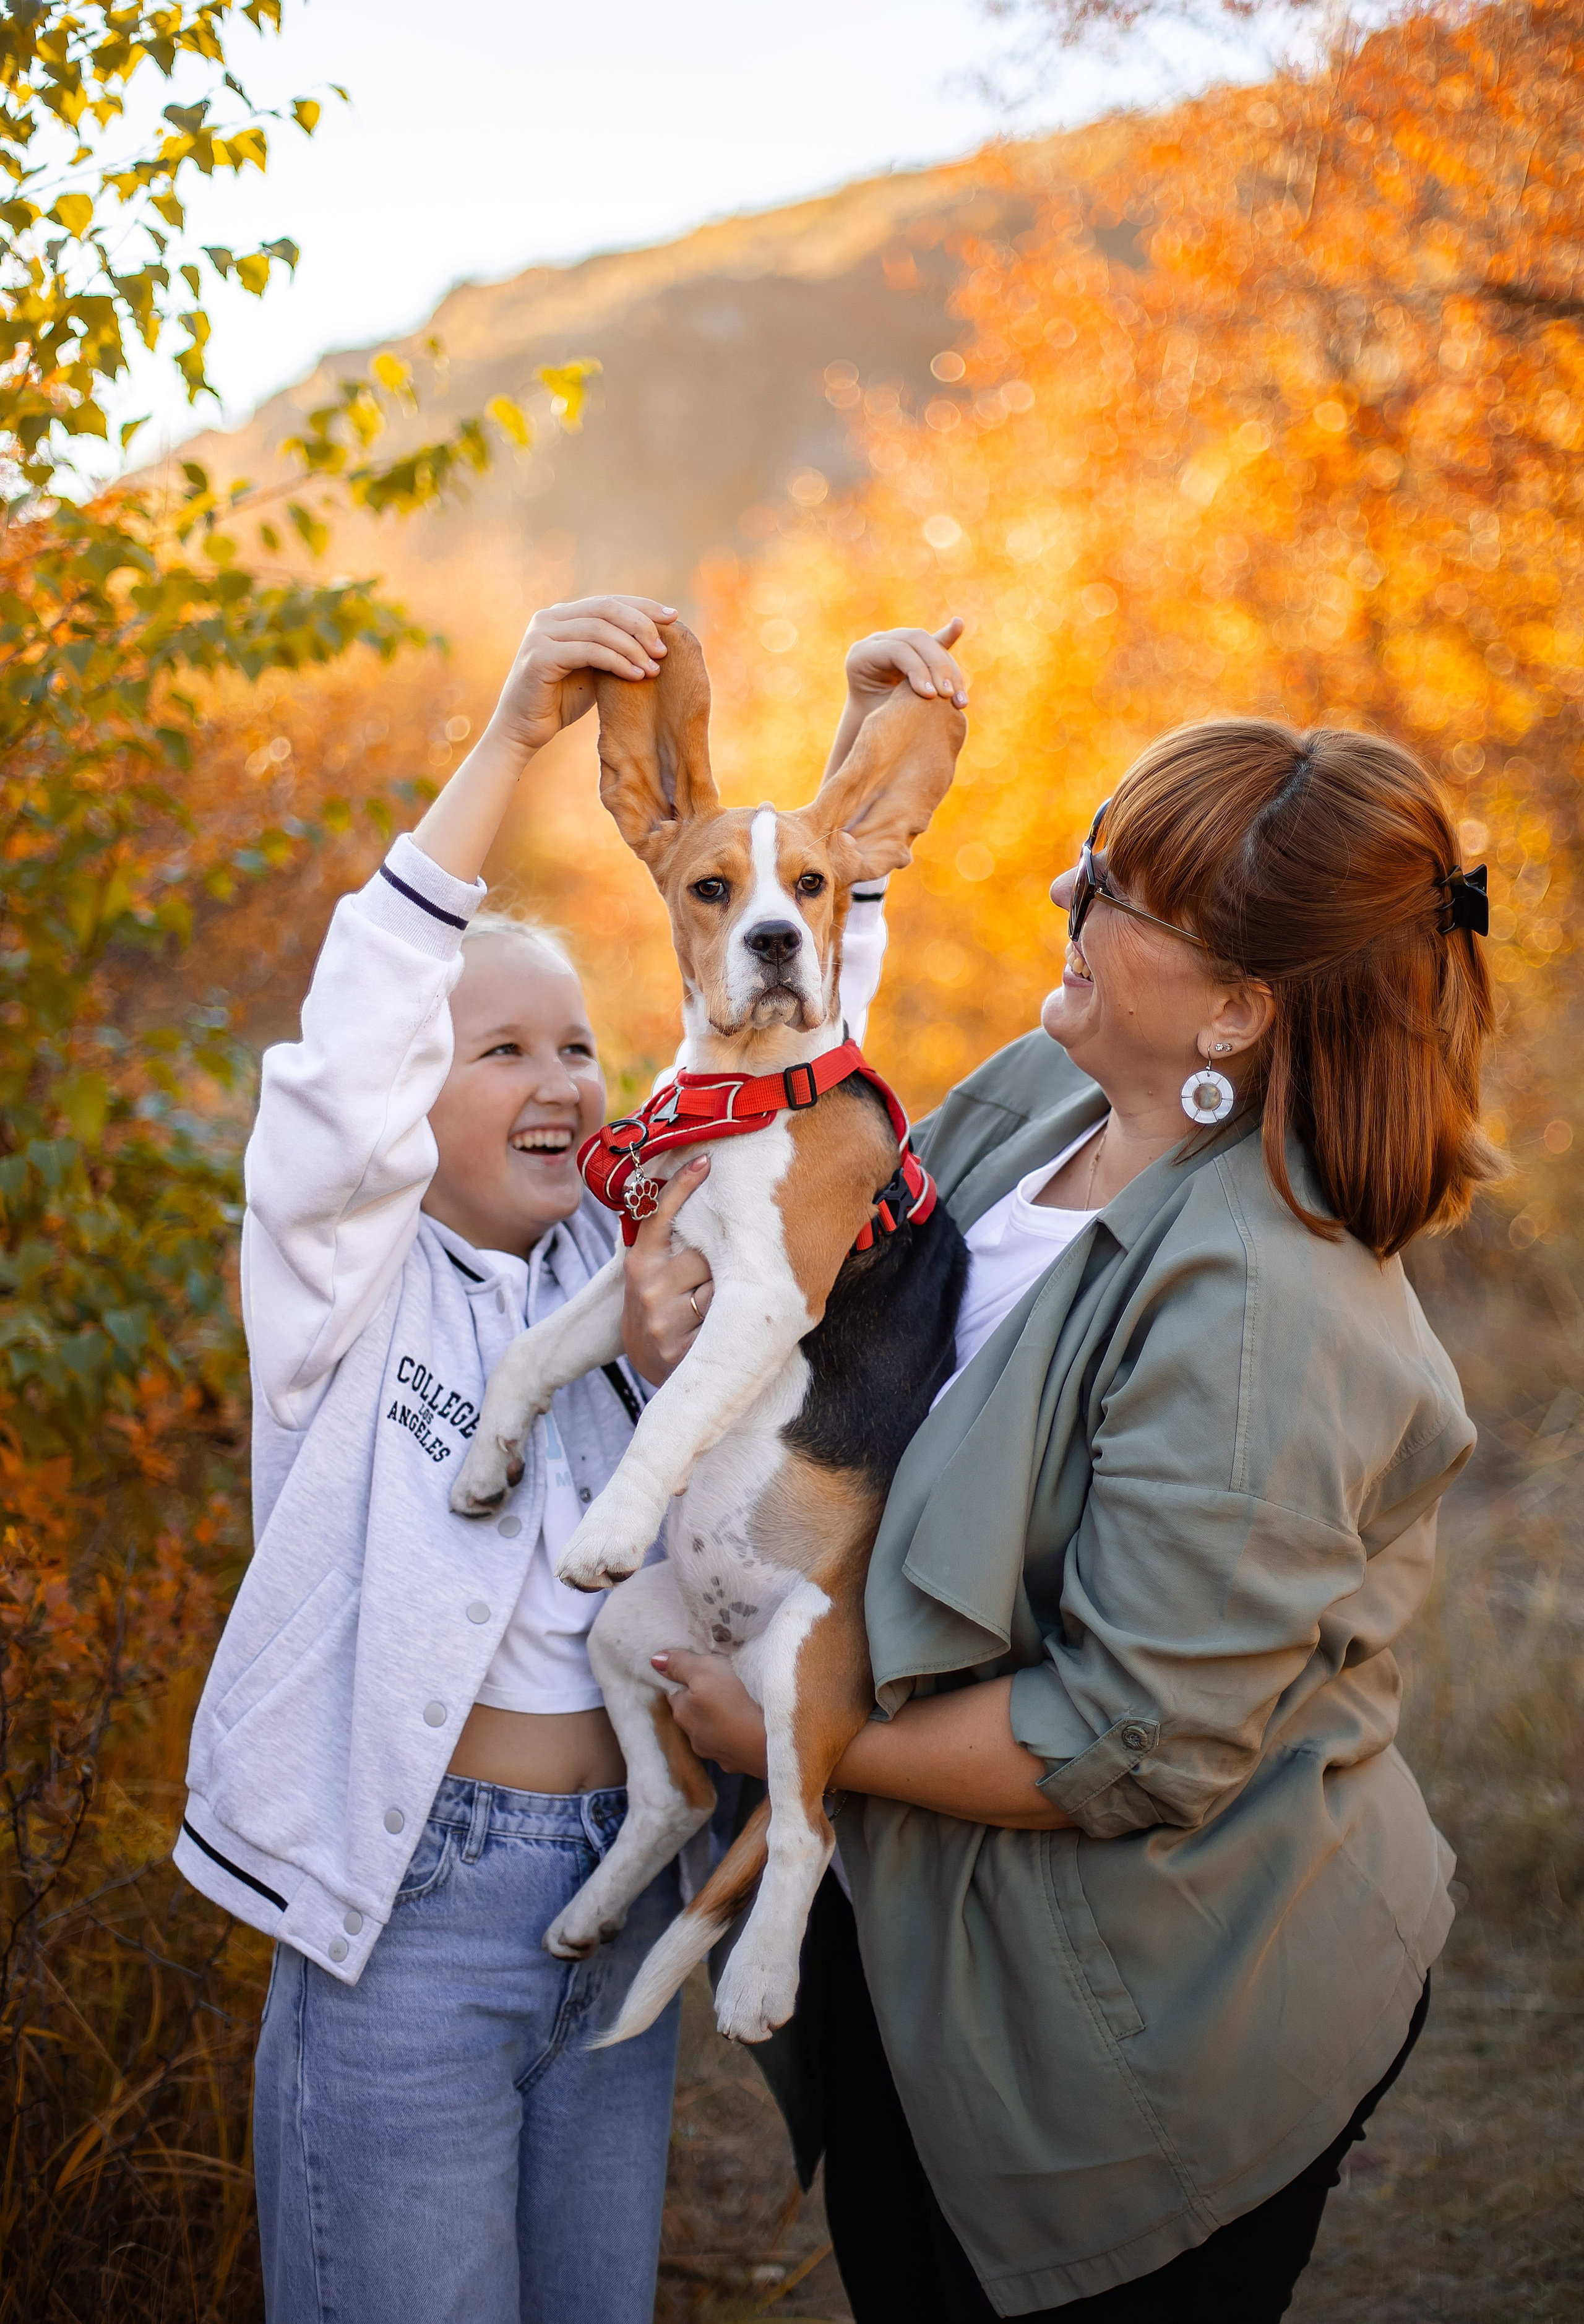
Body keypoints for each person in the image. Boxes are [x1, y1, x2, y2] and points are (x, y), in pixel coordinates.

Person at [635, 713, 1495, 2321]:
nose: (1060, 890)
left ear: (1235, 1008)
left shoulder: (1261, 1308)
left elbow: (1130, 1737)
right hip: (915, 1943)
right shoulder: (1047, 1092)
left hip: (1133, 2024)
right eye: (1088, 852)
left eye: (1111, 889)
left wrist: (799, 1740)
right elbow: (839, 1307)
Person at [173, 595, 958, 2324]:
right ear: (410, 1097)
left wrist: (867, 743)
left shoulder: (640, 1257)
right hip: (410, 1919)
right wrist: (514, 732)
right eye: (499, 1051)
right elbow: (341, 1066)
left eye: (578, 1048)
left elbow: (797, 1014)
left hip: (615, 1875)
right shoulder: (338, 1289)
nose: (559, 1083)